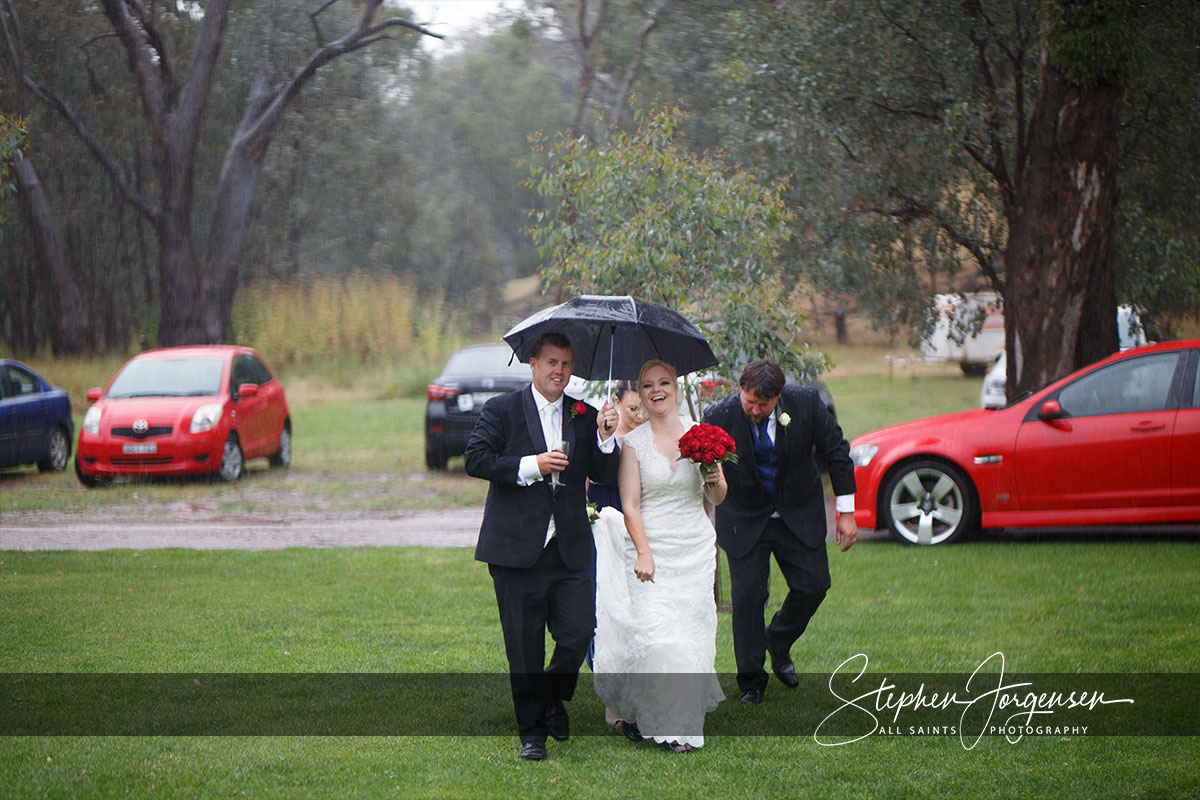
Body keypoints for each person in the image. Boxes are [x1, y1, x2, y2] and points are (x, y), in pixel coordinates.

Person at [464, 332, 620, 762]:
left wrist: (607, 436)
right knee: (524, 646)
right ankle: (532, 733)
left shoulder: (586, 414)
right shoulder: (502, 410)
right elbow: (475, 459)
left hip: (570, 549)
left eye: (566, 365)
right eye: (551, 362)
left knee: (577, 634)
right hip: (515, 549)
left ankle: (551, 695)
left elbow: (605, 473)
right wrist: (533, 465)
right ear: (532, 364)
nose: (559, 371)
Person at [701, 358, 856, 705]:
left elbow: (837, 451)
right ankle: (751, 682)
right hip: (743, 517)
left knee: (815, 585)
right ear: (740, 390)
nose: (754, 409)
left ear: (779, 398)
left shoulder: (806, 405)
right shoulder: (717, 416)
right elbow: (703, 466)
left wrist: (846, 512)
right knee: (747, 600)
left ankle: (779, 639)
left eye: (763, 405)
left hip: (797, 512)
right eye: (749, 401)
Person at [592, 359, 727, 753]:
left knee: (689, 638)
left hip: (694, 548)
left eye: (664, 382)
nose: (656, 390)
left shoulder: (700, 435)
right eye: (647, 385)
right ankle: (649, 712)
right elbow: (631, 506)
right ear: (640, 393)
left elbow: (717, 497)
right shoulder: (633, 444)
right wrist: (645, 552)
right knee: (656, 636)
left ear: (676, 387)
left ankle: (679, 726)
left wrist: (715, 477)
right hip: (650, 549)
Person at [586, 379, 647, 513]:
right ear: (617, 402)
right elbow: (584, 475)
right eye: (633, 409)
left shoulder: (651, 435)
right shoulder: (601, 432)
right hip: (602, 505)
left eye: (645, 407)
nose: (641, 416)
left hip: (640, 509)